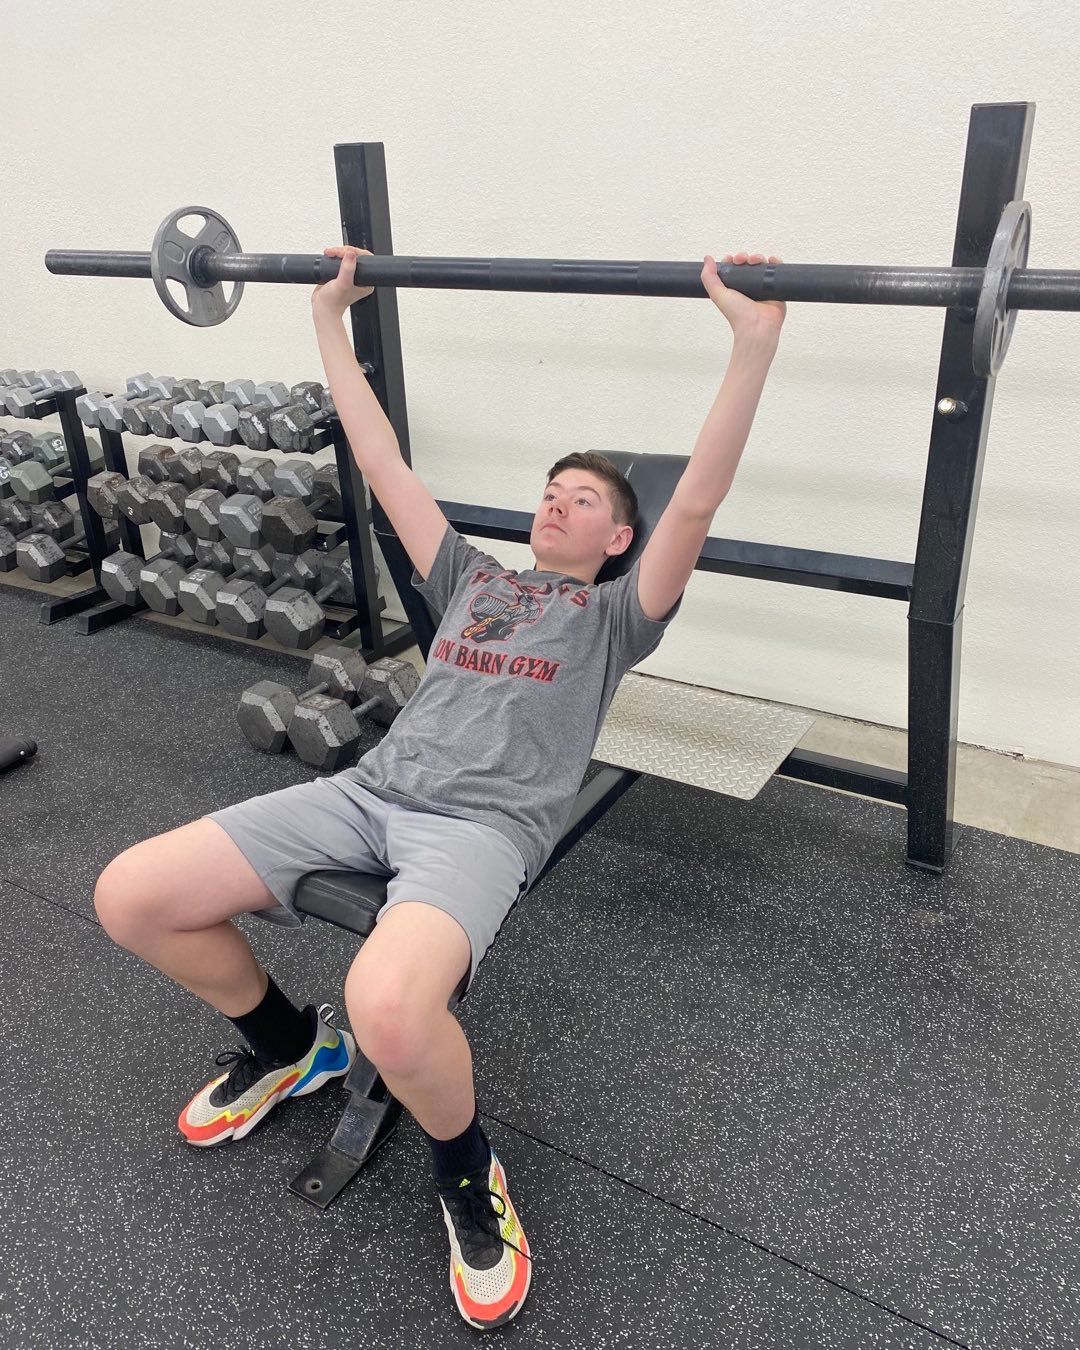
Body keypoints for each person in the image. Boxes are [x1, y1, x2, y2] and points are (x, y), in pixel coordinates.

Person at [93, 246, 784, 1331]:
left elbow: (693, 501)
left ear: (618, 539)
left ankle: (466, 1169)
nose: (558, 505)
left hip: (479, 830)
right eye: (551, 491)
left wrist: (753, 342)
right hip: (372, 790)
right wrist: (330, 314)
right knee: (130, 893)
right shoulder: (471, 577)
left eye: (586, 499)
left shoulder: (615, 618)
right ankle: (290, 1048)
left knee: (389, 1001)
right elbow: (377, 456)